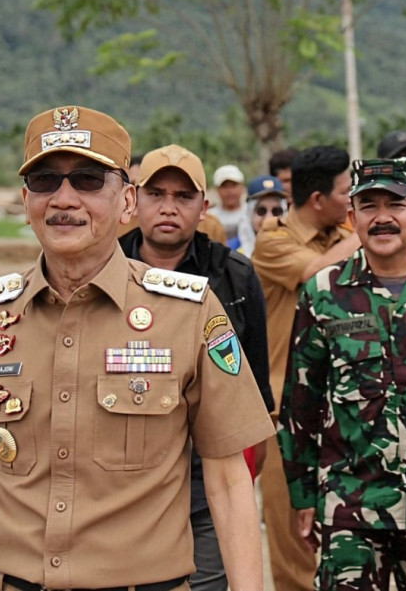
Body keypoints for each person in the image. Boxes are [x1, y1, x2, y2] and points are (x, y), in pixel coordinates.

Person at [0, 106, 274, 590]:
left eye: (88, 180)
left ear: (127, 202)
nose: (64, 199)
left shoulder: (189, 313)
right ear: (26, 200)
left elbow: (229, 481)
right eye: (45, 180)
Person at [279, 157, 406, 590]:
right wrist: (303, 495)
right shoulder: (323, 293)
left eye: (396, 204)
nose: (383, 217)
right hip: (350, 504)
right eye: (369, 206)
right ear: (352, 218)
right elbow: (300, 403)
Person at [118, 143, 275, 591]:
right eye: (156, 194)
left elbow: (255, 394)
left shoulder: (236, 277)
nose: (169, 208)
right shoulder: (102, 269)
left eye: (184, 197)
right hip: (120, 488)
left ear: (204, 207)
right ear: (132, 201)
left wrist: (242, 480)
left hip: (209, 484)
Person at [252, 145, 360, 591]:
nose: (354, 202)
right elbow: (316, 272)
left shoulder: (344, 237)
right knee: (292, 540)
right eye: (348, 193)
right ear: (317, 199)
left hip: (347, 410)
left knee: (349, 535)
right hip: (285, 413)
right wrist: (370, 227)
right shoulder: (273, 240)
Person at [237, 174, 288, 258]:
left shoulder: (295, 249)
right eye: (261, 211)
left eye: (276, 211)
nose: (269, 218)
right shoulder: (233, 251)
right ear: (249, 214)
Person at [209, 164, 248, 248]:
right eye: (225, 186)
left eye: (234, 185)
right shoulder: (210, 217)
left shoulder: (252, 212)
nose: (230, 191)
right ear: (216, 189)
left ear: (242, 186)